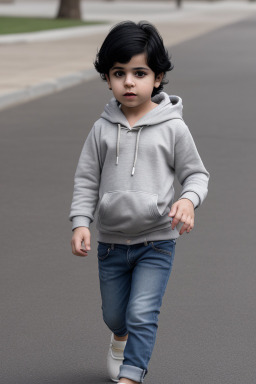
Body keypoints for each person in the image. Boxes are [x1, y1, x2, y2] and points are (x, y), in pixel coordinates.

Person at [69, 21, 209, 384]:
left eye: (139, 72)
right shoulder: (101, 129)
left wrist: (189, 201)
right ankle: (119, 339)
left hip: (157, 241)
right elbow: (86, 179)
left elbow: (197, 175)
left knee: (143, 312)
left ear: (158, 78)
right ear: (108, 78)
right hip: (111, 243)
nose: (128, 82)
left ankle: (131, 375)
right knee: (117, 317)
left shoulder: (173, 128)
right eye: (119, 73)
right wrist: (81, 221)